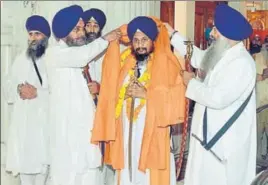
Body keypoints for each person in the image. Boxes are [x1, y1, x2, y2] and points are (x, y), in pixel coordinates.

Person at [164, 4, 256, 185]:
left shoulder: (241, 64)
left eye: (215, 30)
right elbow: (198, 57)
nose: (211, 33)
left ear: (227, 35)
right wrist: (173, 35)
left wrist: (190, 82)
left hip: (224, 144)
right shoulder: (222, 53)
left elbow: (217, 98)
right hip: (208, 138)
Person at [91, 16, 186, 185]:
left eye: (144, 39)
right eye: (135, 40)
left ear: (153, 40)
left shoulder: (168, 63)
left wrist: (148, 95)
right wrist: (123, 93)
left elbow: (179, 101)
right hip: (127, 133)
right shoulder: (126, 62)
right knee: (129, 173)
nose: (140, 45)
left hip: (154, 136)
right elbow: (113, 93)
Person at [44, 5, 121, 185]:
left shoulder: (77, 54)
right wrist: (106, 39)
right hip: (67, 136)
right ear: (63, 33)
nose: (82, 33)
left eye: (81, 29)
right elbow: (82, 56)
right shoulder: (54, 53)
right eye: (76, 29)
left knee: (91, 176)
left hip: (85, 133)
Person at [3, 15, 51, 185]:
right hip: (23, 127)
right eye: (30, 34)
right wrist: (18, 89)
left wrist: (38, 93)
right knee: (25, 175)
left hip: (43, 125)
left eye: (37, 34)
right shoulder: (20, 58)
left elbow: (60, 93)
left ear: (45, 37)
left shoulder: (52, 59)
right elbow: (7, 84)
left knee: (42, 173)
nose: (33, 38)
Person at [82, 8, 115, 185]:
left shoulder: (109, 52)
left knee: (102, 159)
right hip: (81, 113)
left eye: (96, 25)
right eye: (89, 25)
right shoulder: (77, 51)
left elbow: (116, 84)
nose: (92, 29)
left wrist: (100, 88)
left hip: (102, 111)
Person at [255, 40, 268, 165]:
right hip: (260, 104)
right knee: (258, 133)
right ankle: (258, 158)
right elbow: (254, 77)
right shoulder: (256, 57)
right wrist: (263, 75)